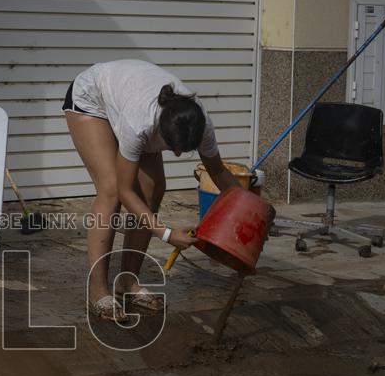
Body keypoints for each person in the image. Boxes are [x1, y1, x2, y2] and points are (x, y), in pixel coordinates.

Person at [64, 59, 250, 321]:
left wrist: (252, 213)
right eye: (172, 146)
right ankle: (98, 291)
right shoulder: (138, 123)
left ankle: (127, 283)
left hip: (127, 95)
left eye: (183, 150)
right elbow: (125, 189)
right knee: (111, 191)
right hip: (90, 99)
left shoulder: (200, 122)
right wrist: (167, 234)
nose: (175, 154)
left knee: (154, 189)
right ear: (160, 129)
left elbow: (219, 172)